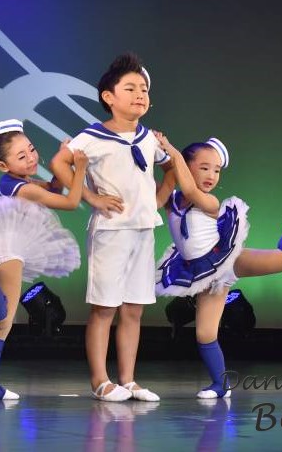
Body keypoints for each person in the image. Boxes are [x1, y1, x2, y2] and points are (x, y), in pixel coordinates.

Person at [154, 133, 282, 399]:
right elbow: (158, 180)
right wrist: (155, 151)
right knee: (205, 333)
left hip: (226, 259)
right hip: (201, 273)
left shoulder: (209, 202)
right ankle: (220, 385)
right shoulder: (172, 200)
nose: (212, 175)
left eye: (216, 170)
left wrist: (170, 150)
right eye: (204, 168)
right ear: (186, 168)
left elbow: (189, 189)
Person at [51, 53, 172, 402]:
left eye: (144, 89)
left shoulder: (149, 138)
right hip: (110, 231)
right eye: (130, 88)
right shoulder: (93, 136)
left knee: (134, 308)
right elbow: (59, 162)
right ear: (109, 96)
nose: (140, 95)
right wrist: (90, 196)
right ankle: (100, 381)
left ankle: (129, 380)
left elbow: (170, 168)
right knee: (105, 307)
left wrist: (159, 198)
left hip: (143, 230)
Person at [0, 119, 88, 400]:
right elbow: (71, 202)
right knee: (2, 319)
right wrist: (80, 167)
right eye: (21, 157)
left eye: (31, 150)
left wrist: (63, 162)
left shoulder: (18, 182)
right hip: (10, 246)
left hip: (5, 242)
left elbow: (53, 189)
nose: (31, 158)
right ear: (3, 165)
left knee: (1, 326)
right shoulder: (24, 188)